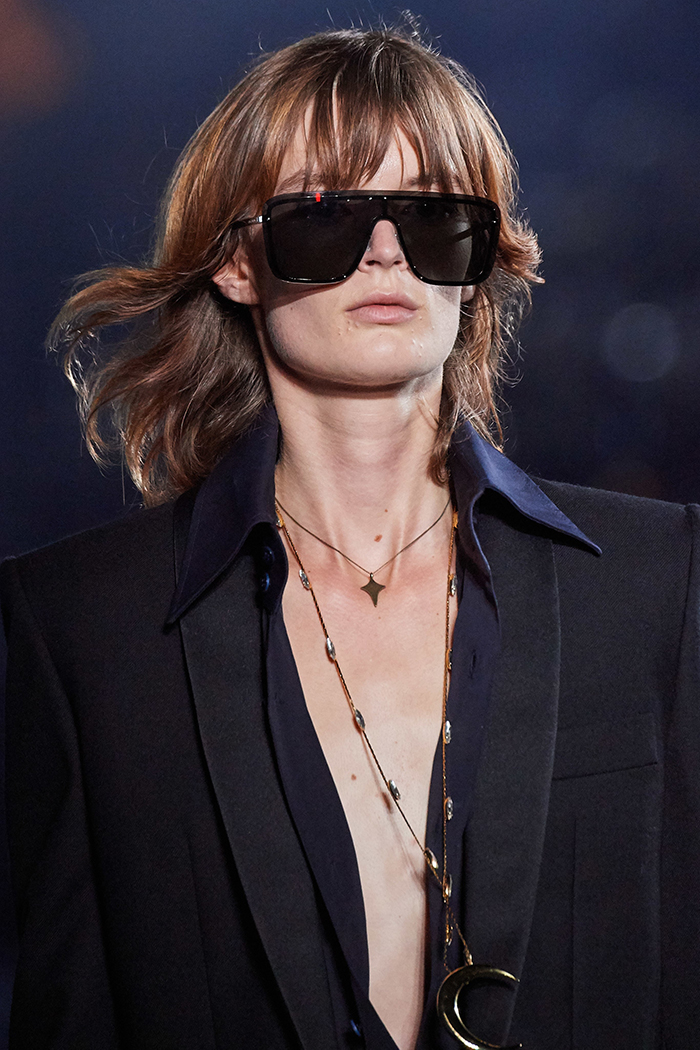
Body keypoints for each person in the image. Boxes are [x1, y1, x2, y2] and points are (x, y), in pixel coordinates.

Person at [1, 21, 699, 1050]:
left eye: (433, 216)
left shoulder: (656, 584)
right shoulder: (83, 628)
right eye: (324, 215)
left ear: (478, 261)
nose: (384, 251)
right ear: (236, 264)